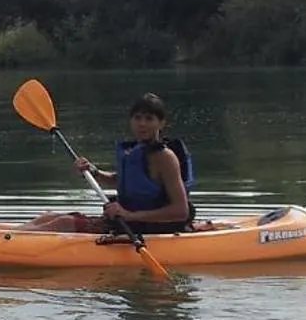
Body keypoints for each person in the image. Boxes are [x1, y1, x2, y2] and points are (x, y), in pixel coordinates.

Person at [27, 93, 196, 235]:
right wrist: (94, 172)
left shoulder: (165, 157)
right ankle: (7, 238)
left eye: (149, 119)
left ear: (161, 123)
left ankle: (6, 244)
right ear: (131, 121)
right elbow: (121, 181)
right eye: (137, 118)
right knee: (47, 217)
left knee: (63, 223)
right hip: (125, 221)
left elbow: (181, 211)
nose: (142, 124)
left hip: (149, 227)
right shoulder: (134, 151)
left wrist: (129, 215)